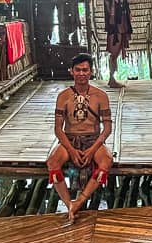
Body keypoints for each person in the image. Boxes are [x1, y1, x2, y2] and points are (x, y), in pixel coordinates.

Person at [47, 53, 113, 222]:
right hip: (70, 139)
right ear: (72, 71)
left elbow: (107, 128)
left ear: (91, 72)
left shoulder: (101, 96)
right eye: (78, 70)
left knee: (106, 161)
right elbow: (58, 129)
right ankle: (68, 202)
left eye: (85, 70)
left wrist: (92, 150)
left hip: (93, 139)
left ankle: (80, 200)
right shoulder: (63, 97)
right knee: (52, 162)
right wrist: (70, 149)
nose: (81, 73)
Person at [98, 0, 137, 88]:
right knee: (113, 55)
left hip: (122, 30)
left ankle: (112, 79)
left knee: (116, 54)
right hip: (114, 31)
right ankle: (111, 79)